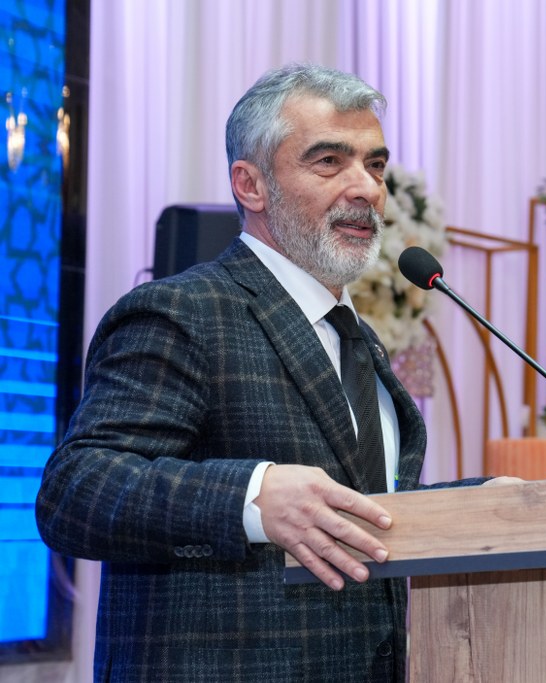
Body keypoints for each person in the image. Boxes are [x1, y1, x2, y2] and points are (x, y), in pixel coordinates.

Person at [36, 63, 502, 682]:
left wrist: (484, 505)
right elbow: (76, 492)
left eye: (375, 165)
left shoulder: (356, 337)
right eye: (329, 161)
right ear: (250, 185)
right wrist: (251, 497)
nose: (365, 188)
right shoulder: (182, 311)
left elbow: (357, 515)